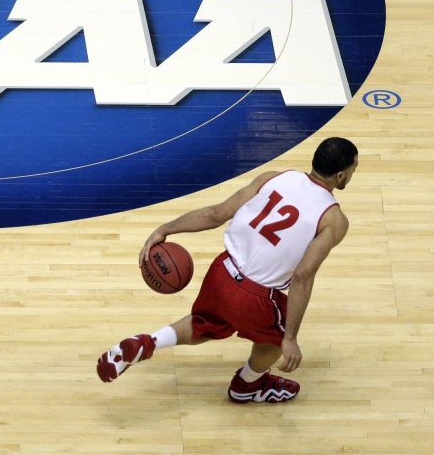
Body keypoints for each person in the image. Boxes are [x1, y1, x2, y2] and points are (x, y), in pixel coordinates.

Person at [96, 137, 357, 403]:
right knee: (276, 340)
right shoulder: (334, 219)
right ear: (340, 175)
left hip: (222, 270)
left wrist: (165, 229)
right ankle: (248, 385)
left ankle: (149, 342)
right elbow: (302, 275)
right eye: (354, 168)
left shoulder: (274, 177)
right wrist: (290, 337)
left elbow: (217, 214)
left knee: (204, 324)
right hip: (256, 296)